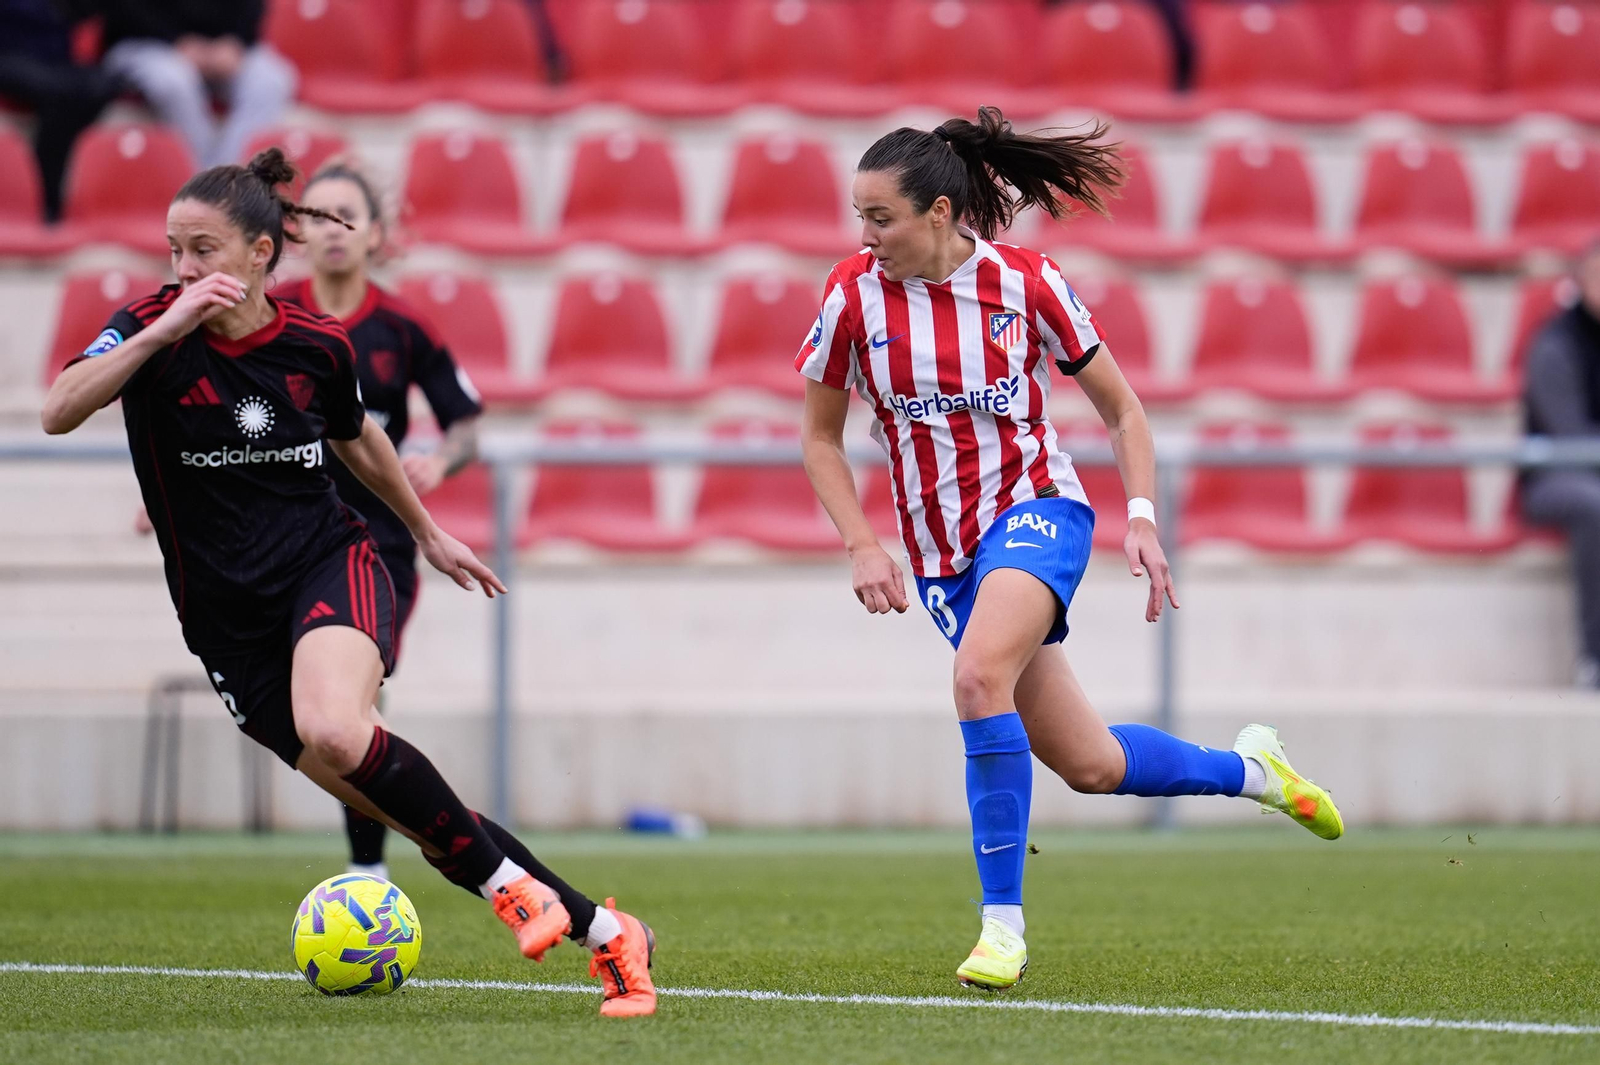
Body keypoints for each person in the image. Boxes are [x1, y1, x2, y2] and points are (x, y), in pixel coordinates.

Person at [40, 149, 656, 1018]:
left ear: (260, 253)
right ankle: (607, 933)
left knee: (335, 727)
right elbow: (59, 408)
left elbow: (360, 440)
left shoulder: (314, 345)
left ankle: (516, 897)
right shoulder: (148, 330)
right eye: (174, 249)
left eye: (203, 249)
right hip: (226, 621)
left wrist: (427, 532)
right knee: (412, 808)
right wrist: (157, 332)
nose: (183, 269)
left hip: (329, 560)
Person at [795, 107, 1342, 991]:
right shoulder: (852, 295)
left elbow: (1124, 409)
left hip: (1038, 511)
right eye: (859, 216)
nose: (866, 235)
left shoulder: (1028, 283)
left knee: (977, 679)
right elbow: (820, 437)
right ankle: (1256, 771)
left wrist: (1141, 513)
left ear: (940, 213)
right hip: (943, 556)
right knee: (1091, 764)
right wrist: (862, 543)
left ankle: (1001, 927)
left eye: (880, 217)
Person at [276, 160, 484, 881]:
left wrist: (441, 462)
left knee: (351, 704)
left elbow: (466, 426)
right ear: (295, 231)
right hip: (284, 541)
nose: (332, 232)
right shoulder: (270, 318)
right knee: (325, 713)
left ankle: (370, 871)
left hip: (380, 545)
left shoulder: (404, 327)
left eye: (348, 217)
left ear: (377, 235)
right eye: (318, 217)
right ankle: (414, 850)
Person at [1521, 238, 1600, 687]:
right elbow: (1569, 436)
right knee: (1594, 506)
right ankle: (1595, 659)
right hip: (1555, 477)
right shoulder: (1556, 345)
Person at [94, 0, 294, 169]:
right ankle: (203, 182)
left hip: (220, 47)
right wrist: (175, 42)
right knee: (175, 81)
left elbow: (251, 7)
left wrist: (236, 42)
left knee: (272, 79)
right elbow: (124, 9)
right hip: (147, 42)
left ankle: (233, 177)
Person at [0, 0, 122, 220]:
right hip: (9, 55)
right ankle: (46, 196)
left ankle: (63, 191)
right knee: (58, 92)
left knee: (100, 85)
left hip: (55, 61)